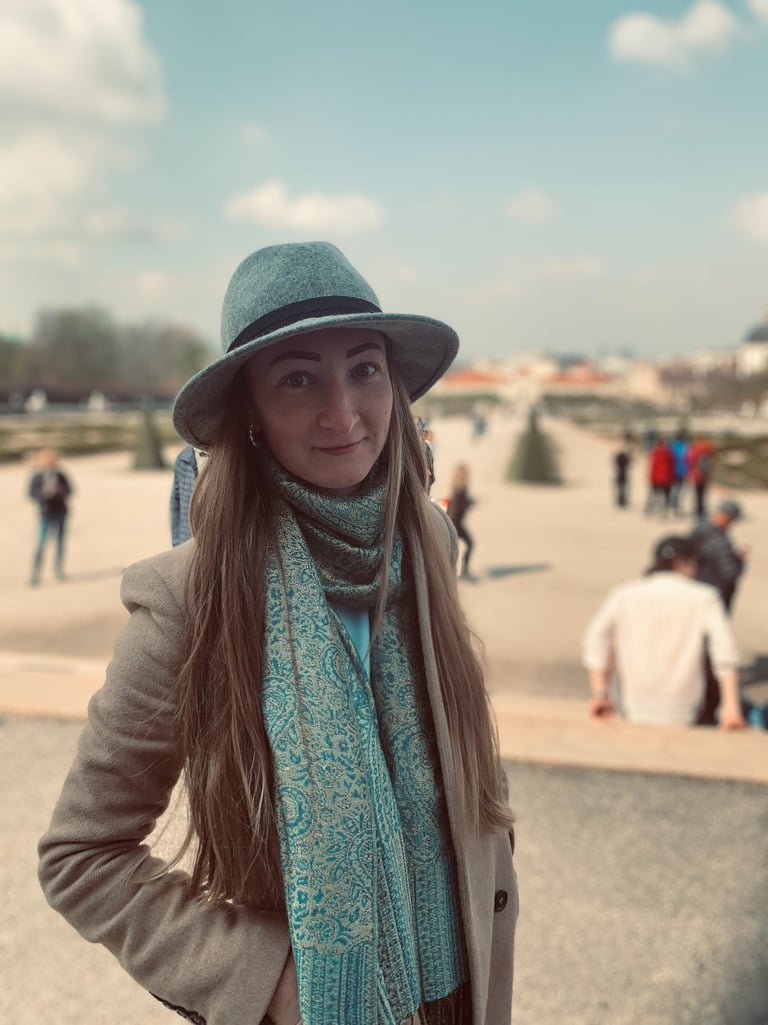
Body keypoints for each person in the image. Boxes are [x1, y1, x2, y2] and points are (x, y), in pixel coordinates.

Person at [38, 241, 518, 1025]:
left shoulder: (429, 543)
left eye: (365, 368)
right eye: (298, 379)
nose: (344, 411)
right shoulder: (189, 598)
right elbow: (81, 857)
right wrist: (267, 980)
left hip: (461, 992)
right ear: (248, 414)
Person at [582, 535, 745, 728]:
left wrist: (600, 692)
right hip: (685, 703)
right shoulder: (704, 597)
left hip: (630, 700)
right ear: (685, 562)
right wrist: (731, 706)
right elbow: (725, 650)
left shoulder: (624, 594)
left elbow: (596, 639)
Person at [690, 499, 747, 613]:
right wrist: (739, 561)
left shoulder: (699, 530)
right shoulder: (719, 541)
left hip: (693, 588)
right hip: (712, 593)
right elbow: (730, 573)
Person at [27, 448, 73, 585]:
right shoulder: (37, 476)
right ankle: (36, 573)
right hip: (45, 513)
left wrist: (58, 491)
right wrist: (44, 494)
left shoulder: (60, 475)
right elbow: (31, 493)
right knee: (41, 543)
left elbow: (70, 490)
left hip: (60, 512)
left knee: (60, 542)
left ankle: (58, 569)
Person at [170, 444, 208, 546]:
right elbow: (175, 505)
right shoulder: (183, 459)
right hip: (186, 541)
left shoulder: (228, 458)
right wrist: (176, 544)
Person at [446, 463, 475, 579]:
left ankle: (463, 569)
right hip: (455, 524)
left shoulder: (461, 489)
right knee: (454, 549)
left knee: (467, 545)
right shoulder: (459, 490)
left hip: (456, 523)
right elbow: (454, 509)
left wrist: (470, 503)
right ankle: (455, 571)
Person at [645, 436, 675, 517]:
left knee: (656, 495)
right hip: (666, 478)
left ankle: (654, 510)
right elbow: (671, 466)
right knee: (665, 496)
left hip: (657, 478)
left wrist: (651, 477)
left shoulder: (656, 453)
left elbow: (653, 467)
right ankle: (664, 510)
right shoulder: (669, 453)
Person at [686, 435, 715, 519]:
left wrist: (690, 473)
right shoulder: (708, 449)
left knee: (698, 493)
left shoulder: (696, 449)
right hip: (705, 474)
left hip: (698, 474)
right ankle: (701, 510)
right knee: (702, 493)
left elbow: (691, 461)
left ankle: (698, 511)